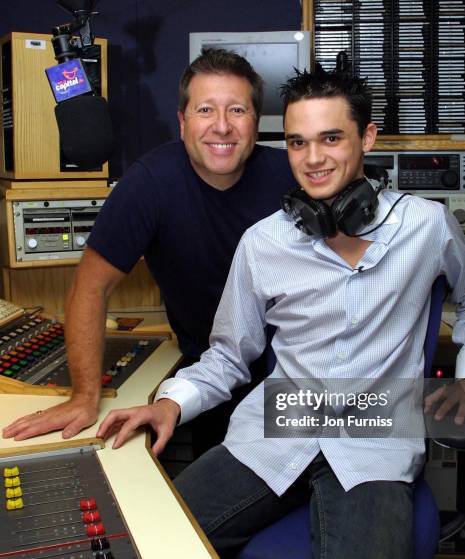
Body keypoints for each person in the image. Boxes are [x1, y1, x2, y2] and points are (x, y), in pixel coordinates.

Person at [94, 68, 465, 559]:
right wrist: (171, 403)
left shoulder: (425, 227)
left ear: (368, 137)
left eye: (331, 138)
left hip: (376, 433)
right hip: (280, 421)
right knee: (140, 552)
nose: (313, 159)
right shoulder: (263, 244)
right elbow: (229, 353)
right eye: (297, 142)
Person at [2, 49, 294, 447]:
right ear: (183, 122)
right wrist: (84, 398)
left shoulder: (292, 176)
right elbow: (91, 287)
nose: (222, 126)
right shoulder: (149, 184)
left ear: (256, 122)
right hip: (212, 375)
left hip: (297, 372)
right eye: (206, 110)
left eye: (237, 111)